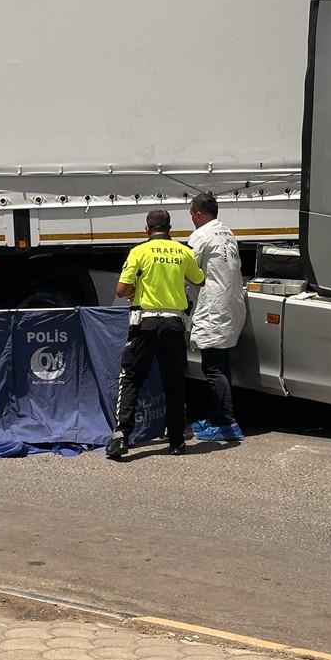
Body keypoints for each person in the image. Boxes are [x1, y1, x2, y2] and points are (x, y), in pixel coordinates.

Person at [107, 209, 205, 460]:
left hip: (145, 324)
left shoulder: (139, 251)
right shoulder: (184, 252)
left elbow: (121, 290)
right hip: (173, 324)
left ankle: (121, 438)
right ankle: (176, 442)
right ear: (170, 228)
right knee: (173, 383)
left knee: (130, 379)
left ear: (146, 229)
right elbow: (199, 281)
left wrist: (137, 286)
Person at [186, 192, 246, 442]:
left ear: (198, 214)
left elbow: (186, 267)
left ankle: (225, 422)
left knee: (213, 368)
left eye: (191, 214)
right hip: (230, 306)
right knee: (221, 365)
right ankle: (220, 418)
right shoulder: (227, 233)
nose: (192, 219)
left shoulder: (200, 235)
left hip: (214, 308)